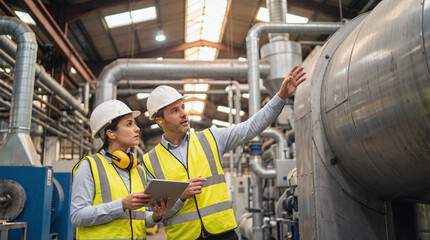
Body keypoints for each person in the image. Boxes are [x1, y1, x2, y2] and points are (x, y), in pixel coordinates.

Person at [142, 65, 306, 240]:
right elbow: (153, 216)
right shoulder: (150, 161)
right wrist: (181, 197)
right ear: (160, 121)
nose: (184, 114)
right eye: (175, 111)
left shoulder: (211, 138)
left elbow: (250, 127)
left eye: (182, 107)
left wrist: (281, 97)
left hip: (223, 235)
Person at [70, 99, 169, 240]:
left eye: (134, 123)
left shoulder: (138, 171)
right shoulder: (90, 166)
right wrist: (121, 205)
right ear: (111, 134)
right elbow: (77, 216)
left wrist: (154, 217)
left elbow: (137, 219)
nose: (137, 129)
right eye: (129, 124)